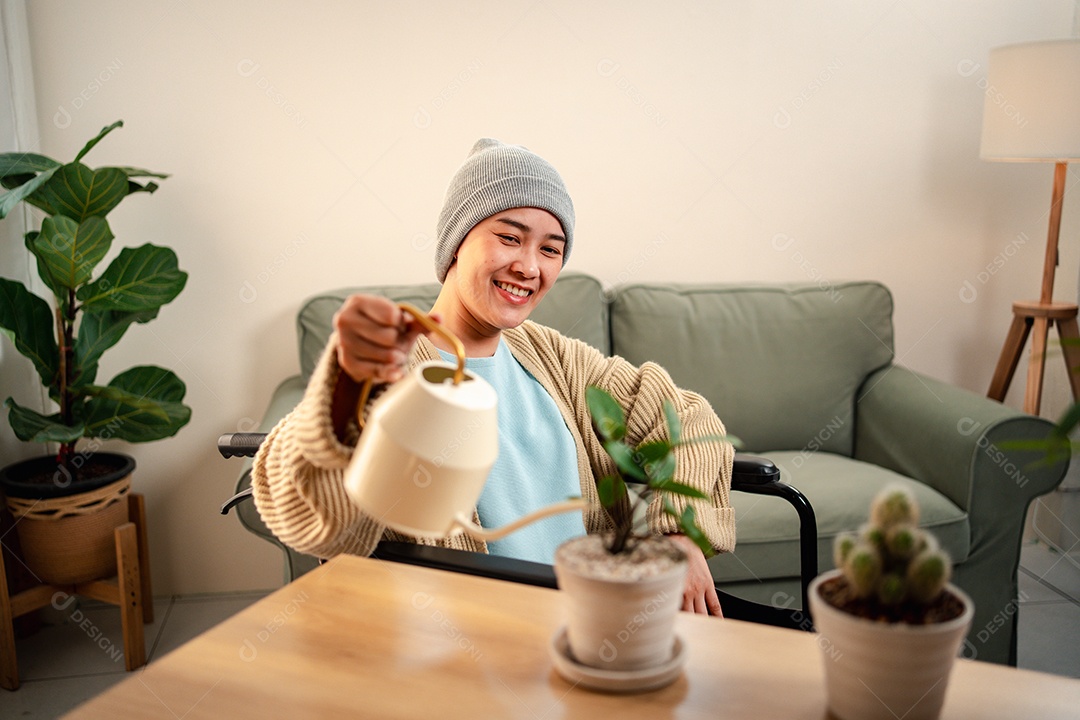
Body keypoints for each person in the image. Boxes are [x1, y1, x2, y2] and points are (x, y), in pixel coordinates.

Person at [251, 138, 736, 615]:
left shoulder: (557, 359)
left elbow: (686, 416)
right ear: (456, 243)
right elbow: (305, 512)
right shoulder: (393, 368)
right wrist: (348, 385)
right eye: (509, 238)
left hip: (593, 625)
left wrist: (680, 533)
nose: (529, 267)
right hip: (467, 635)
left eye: (551, 249)